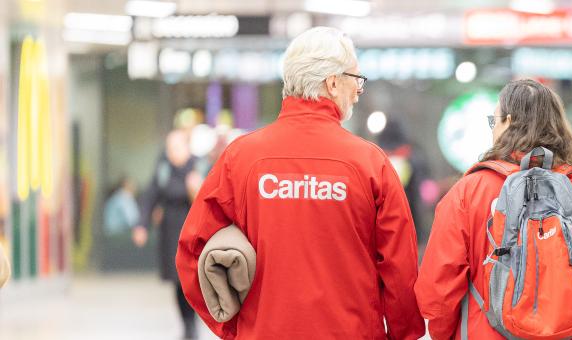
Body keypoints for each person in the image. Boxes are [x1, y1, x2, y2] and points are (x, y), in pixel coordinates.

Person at [174, 27, 424, 339]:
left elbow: (191, 251)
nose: (358, 91)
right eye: (356, 80)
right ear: (333, 83)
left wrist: (233, 327)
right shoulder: (371, 164)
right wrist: (402, 334)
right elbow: (400, 270)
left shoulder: (241, 159)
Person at [415, 79, 572, 340]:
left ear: (508, 122)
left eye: (494, 121)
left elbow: (438, 291)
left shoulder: (468, 193)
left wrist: (445, 333)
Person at [138, 128, 206, 340]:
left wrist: (195, 189)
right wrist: (142, 224)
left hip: (192, 231)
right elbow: (151, 194)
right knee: (177, 282)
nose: (171, 152)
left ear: (187, 147)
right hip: (170, 233)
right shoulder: (164, 167)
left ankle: (192, 325)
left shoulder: (199, 167)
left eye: (175, 147)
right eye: (169, 148)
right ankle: (187, 326)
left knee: (191, 281)